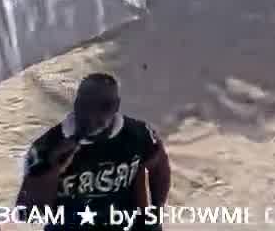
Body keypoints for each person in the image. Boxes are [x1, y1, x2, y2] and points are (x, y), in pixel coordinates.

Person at [18, 74, 170, 230]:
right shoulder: (47, 146)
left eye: (104, 106)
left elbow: (158, 165)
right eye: (86, 105)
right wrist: (52, 170)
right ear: (76, 104)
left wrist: (155, 212)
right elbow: (28, 213)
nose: (92, 115)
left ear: (116, 106)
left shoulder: (138, 134)